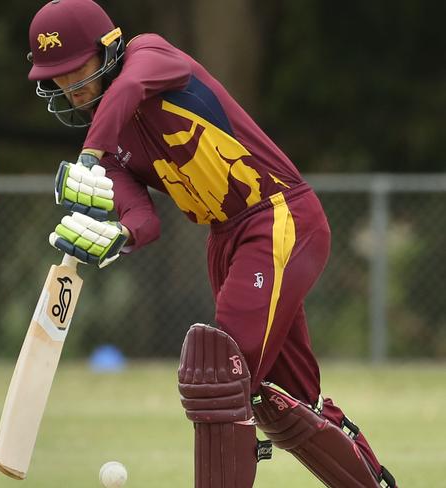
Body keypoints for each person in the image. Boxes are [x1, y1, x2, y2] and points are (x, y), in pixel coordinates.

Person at [26, 0, 398, 487]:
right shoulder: (113, 152)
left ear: (109, 49)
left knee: (219, 375)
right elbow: (144, 219)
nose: (67, 89)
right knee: (281, 398)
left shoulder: (149, 55)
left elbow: (131, 88)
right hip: (225, 242)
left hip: (278, 214)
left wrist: (89, 155)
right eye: (55, 78)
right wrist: (118, 236)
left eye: (75, 71)